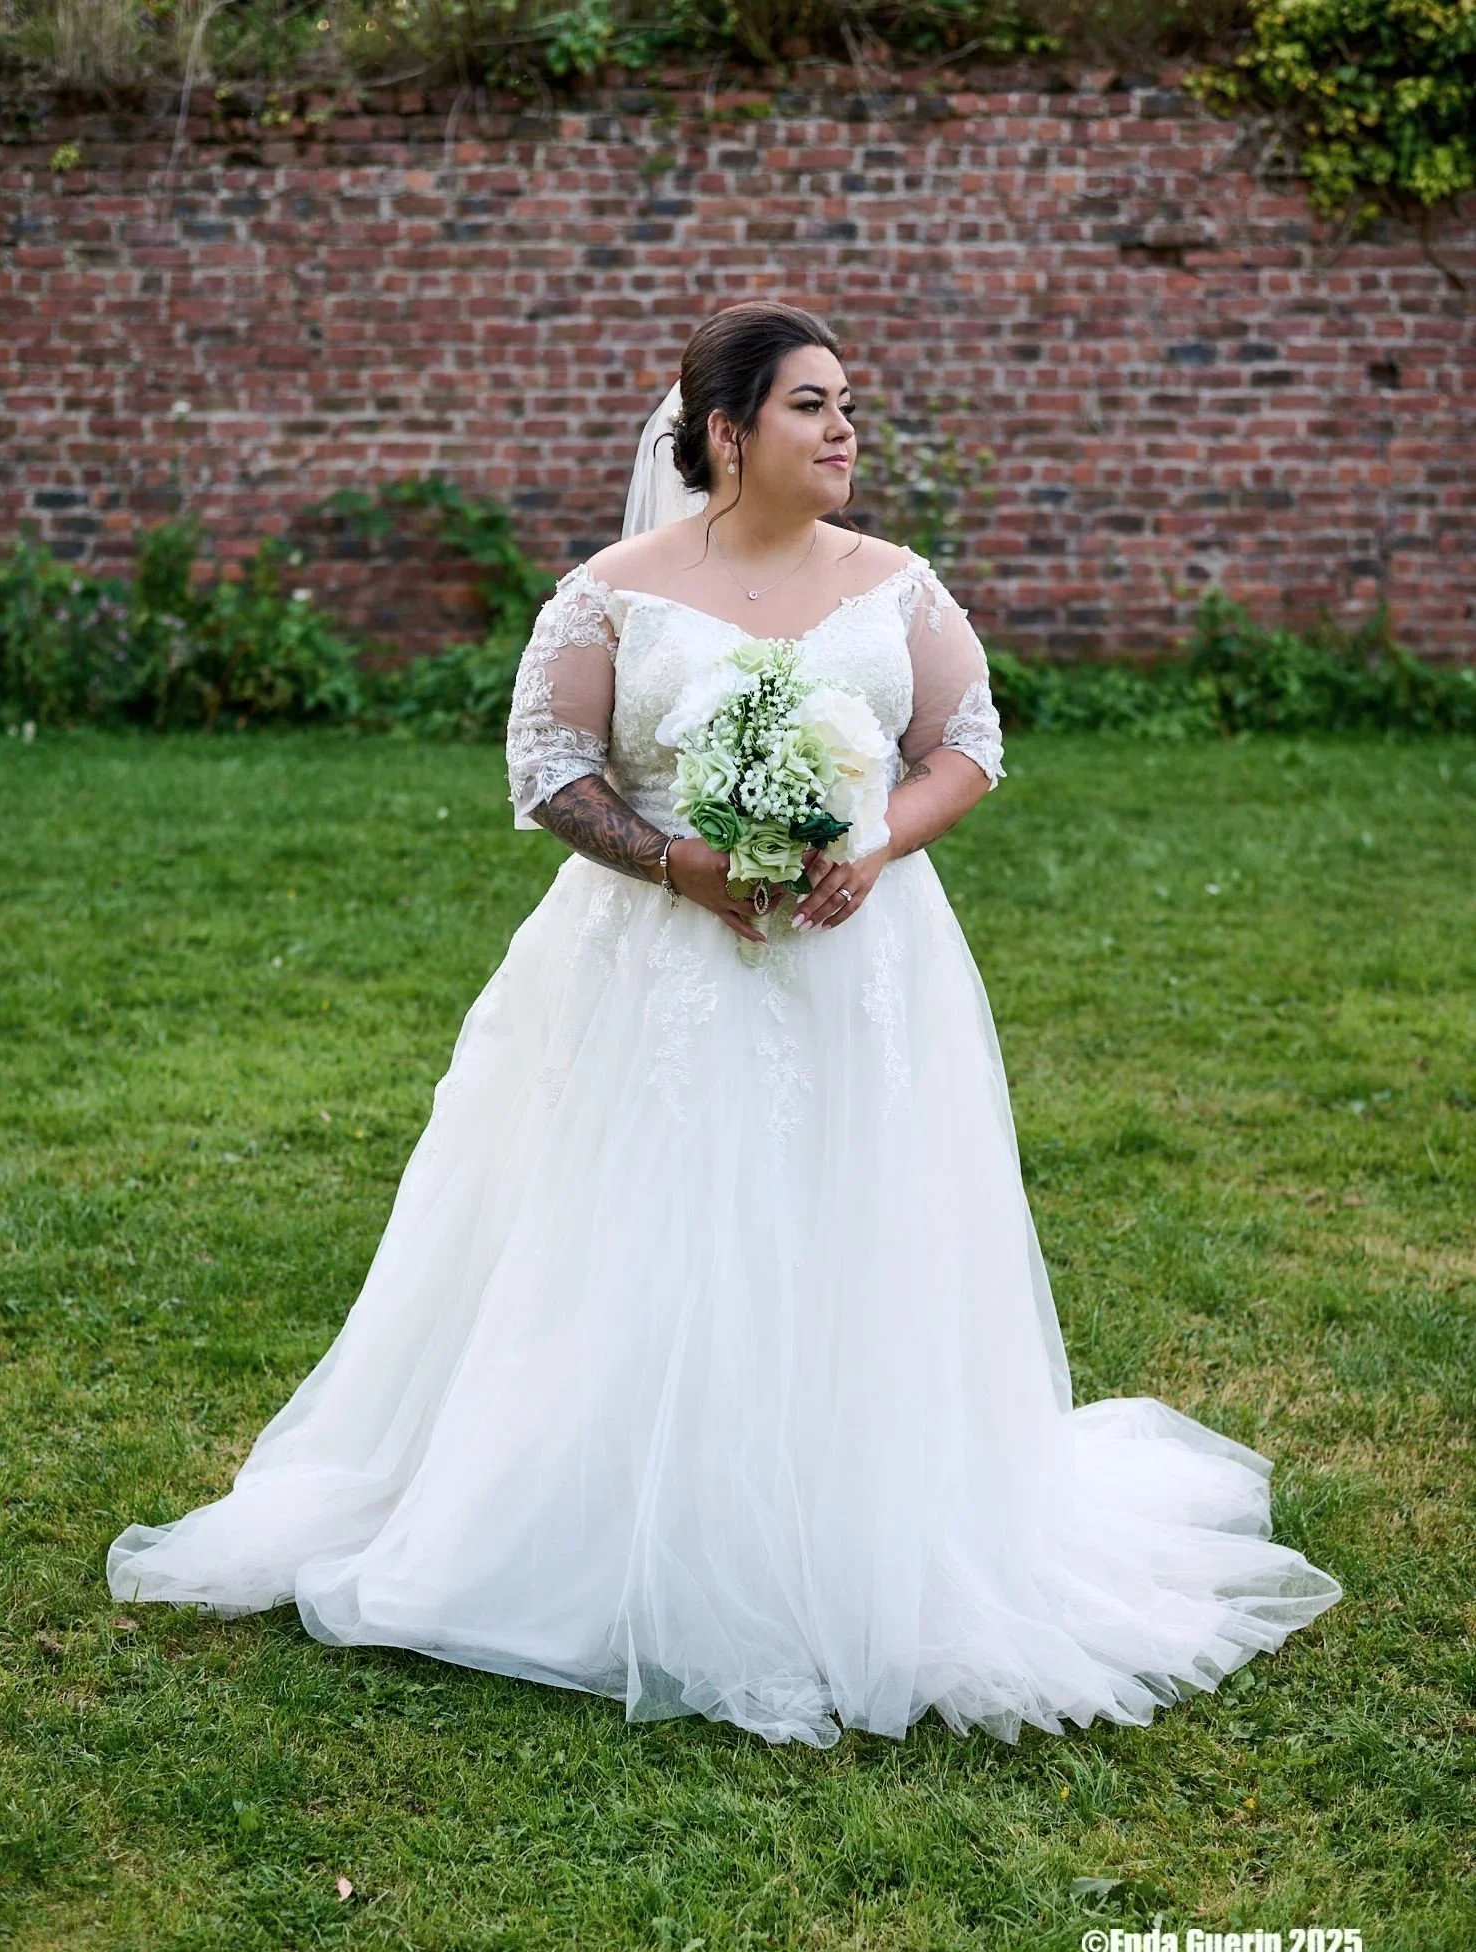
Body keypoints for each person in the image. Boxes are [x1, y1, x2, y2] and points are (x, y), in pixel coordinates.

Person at [107, 300, 1340, 1750]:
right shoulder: (613, 591)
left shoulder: (897, 585)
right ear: (725, 434)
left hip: (860, 965)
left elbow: (970, 750)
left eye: (849, 405)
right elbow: (550, 766)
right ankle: (617, 1514)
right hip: (658, 969)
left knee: (852, 1223)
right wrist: (677, 860)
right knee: (644, 1229)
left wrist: (876, 841)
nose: (845, 430)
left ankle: (861, 1510)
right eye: (813, 406)